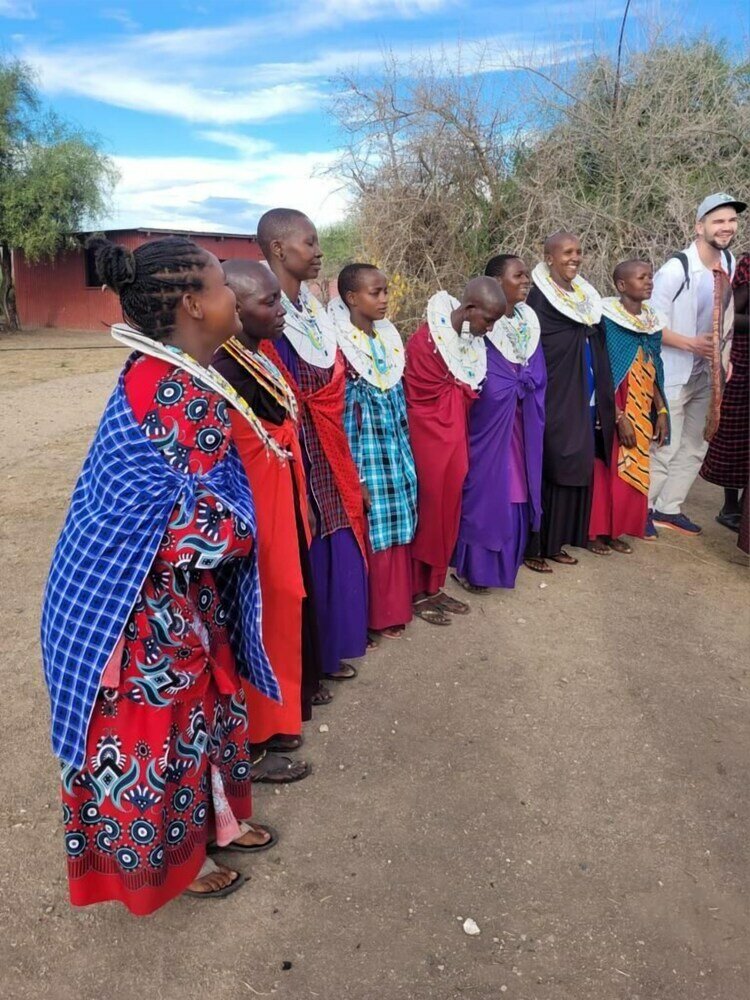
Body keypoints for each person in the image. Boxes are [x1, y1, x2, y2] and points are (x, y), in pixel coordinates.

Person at [41, 236, 281, 914]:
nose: (234, 295)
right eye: (220, 285)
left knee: (200, 712)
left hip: (162, 591)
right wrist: (244, 528)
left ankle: (212, 825)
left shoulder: (174, 375)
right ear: (191, 305)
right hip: (134, 600)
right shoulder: (179, 392)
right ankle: (172, 860)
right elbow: (184, 531)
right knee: (157, 730)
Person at [214, 260, 327, 784]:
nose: (280, 309)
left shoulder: (259, 356)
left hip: (280, 497)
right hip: (253, 511)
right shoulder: (221, 368)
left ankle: (283, 709)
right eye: (268, 303)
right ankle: (255, 737)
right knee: (259, 608)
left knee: (286, 598)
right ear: (233, 310)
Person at [258, 209, 368, 680]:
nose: (319, 251)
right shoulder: (265, 312)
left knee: (333, 536)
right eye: (310, 242)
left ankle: (327, 652)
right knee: (299, 550)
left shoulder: (309, 310)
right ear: (279, 249)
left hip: (325, 444)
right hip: (290, 451)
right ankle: (302, 669)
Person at [404, 277, 506, 624]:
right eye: (487, 320)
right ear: (469, 309)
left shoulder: (471, 342)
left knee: (449, 510)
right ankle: (415, 592)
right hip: (428, 439)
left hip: (455, 438)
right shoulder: (424, 342)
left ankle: (433, 585)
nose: (489, 329)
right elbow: (418, 399)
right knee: (429, 509)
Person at [648, 193, 746, 536]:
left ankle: (669, 508)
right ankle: (643, 509)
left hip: (708, 372)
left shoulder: (729, 262)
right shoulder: (677, 268)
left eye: (732, 220)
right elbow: (651, 324)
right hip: (672, 370)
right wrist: (691, 344)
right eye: (719, 220)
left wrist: (725, 358)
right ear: (699, 226)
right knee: (664, 443)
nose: (727, 227)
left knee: (696, 443)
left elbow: (726, 318)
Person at [329, 264, 418, 640]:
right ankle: (373, 616)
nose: (383, 300)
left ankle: (396, 606)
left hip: (394, 448)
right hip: (364, 454)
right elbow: (344, 417)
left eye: (385, 292)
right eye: (374, 293)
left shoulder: (386, 340)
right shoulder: (340, 348)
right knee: (372, 528)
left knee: (399, 520)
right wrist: (356, 476)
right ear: (351, 298)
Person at [453, 255, 546, 591]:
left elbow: (538, 374)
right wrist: (505, 388)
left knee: (519, 490)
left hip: (522, 426)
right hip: (489, 428)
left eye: (527, 275)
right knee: (489, 491)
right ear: (495, 281)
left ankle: (506, 566)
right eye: (518, 275)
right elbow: (467, 374)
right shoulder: (478, 326)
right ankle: (475, 570)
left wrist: (524, 384)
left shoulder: (528, 321)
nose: (526, 280)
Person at [525, 232, 615, 570]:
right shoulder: (538, 299)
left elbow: (593, 336)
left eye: (578, 252)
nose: (574, 258)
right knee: (553, 461)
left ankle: (559, 540)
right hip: (554, 395)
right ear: (549, 257)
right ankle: (537, 545)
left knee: (578, 459)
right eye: (567, 252)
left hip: (583, 394)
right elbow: (536, 346)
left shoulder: (583, 297)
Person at [588, 260, 670, 552]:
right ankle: (595, 532)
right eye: (641, 277)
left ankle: (616, 529)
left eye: (650, 276)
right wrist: (616, 416)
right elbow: (600, 368)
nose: (649, 281)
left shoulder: (653, 322)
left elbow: (654, 368)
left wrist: (660, 410)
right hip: (612, 404)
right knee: (606, 466)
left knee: (634, 467)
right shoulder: (605, 319)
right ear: (622, 285)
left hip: (642, 403)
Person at [700, 251, 749, 532]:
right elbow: (730, 317)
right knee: (736, 436)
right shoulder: (749, 265)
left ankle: (744, 507)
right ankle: (731, 506)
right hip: (742, 362)